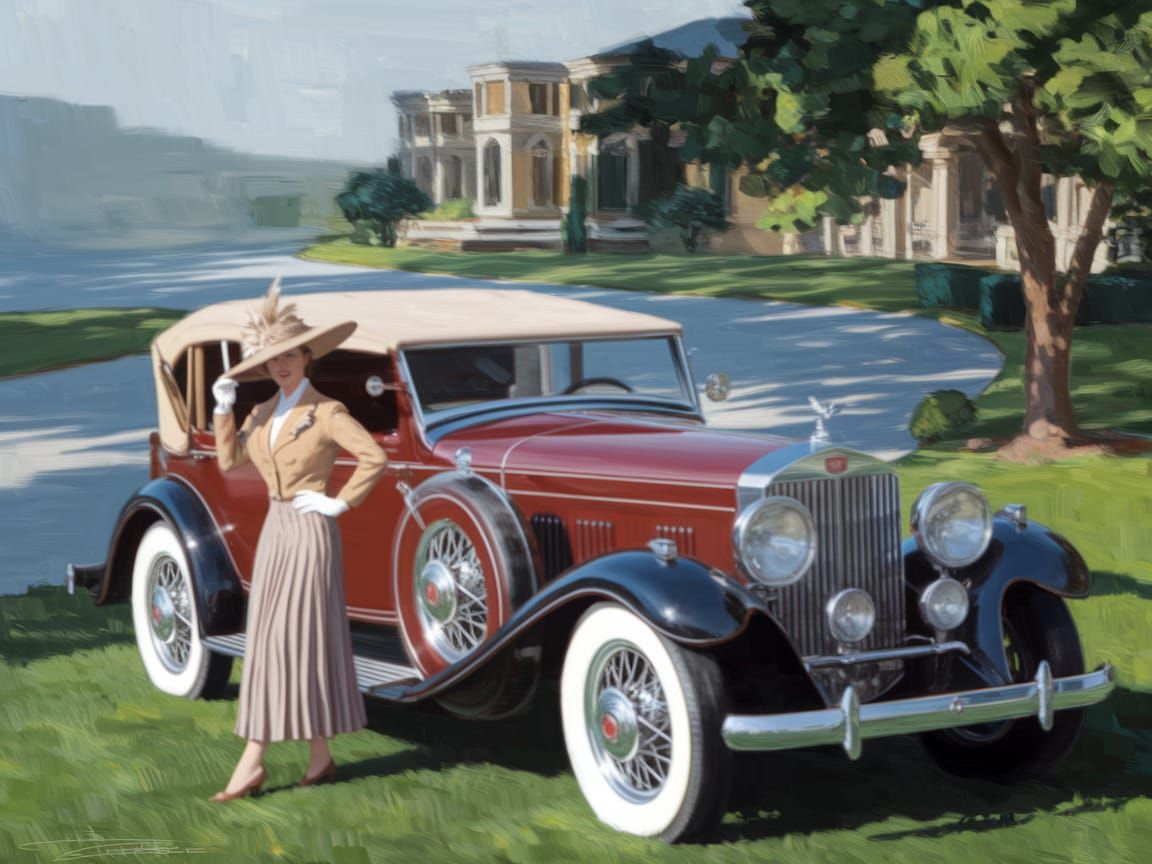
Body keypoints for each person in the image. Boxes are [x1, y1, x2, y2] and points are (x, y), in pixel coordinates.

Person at [208, 278, 387, 801]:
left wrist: (339, 502)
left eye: (289, 354)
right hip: (276, 529)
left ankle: (253, 758)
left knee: (291, 638)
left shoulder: (326, 412)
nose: (280, 365)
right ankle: (320, 756)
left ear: (307, 356)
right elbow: (229, 461)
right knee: (277, 635)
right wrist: (223, 408)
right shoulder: (262, 413)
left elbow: (374, 457)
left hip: (310, 529)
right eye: (271, 359)